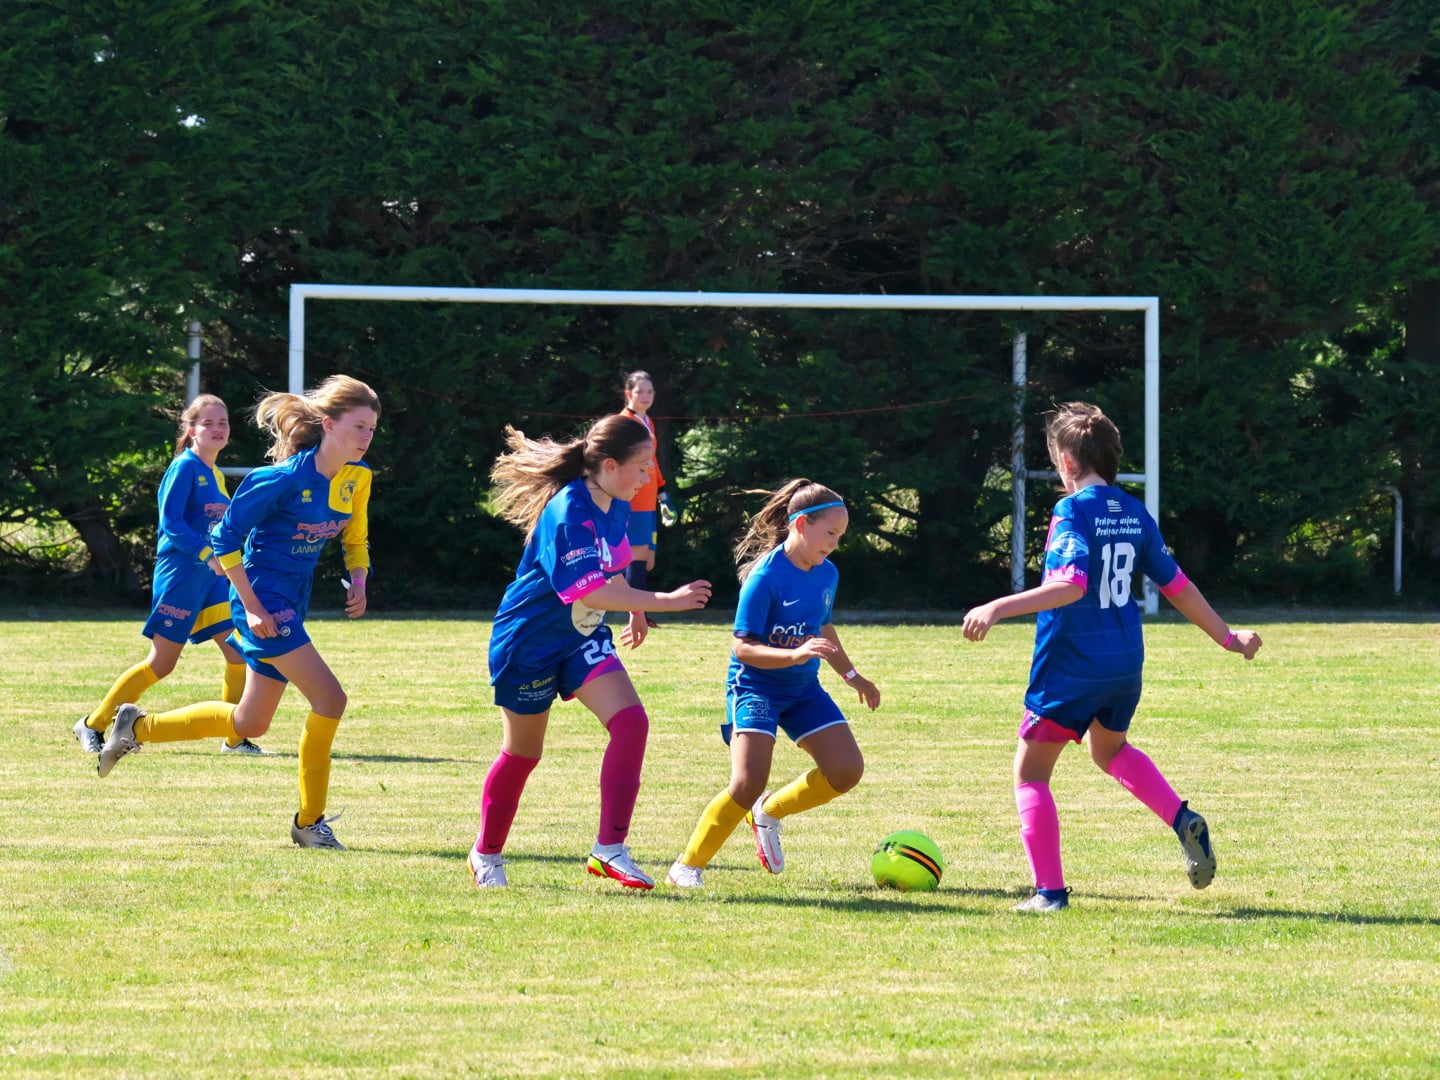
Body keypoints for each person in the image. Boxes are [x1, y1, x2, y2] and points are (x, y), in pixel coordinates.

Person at [961, 401, 1262, 912]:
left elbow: (1070, 585)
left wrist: (996, 606)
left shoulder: (1071, 511)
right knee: (1109, 750)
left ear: (1067, 462)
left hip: (1071, 664)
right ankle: (1181, 818)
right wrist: (1228, 638)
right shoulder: (1133, 511)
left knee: (1031, 774)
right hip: (1123, 661)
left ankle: (1049, 894)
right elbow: (1178, 586)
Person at [96, 375, 380, 852]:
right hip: (262, 598)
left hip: (292, 598)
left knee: (250, 723)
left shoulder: (358, 477)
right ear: (328, 425)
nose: (367, 437)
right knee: (331, 700)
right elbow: (225, 541)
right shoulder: (279, 480)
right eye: (359, 427)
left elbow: (356, 535)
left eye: (372, 428)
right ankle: (308, 823)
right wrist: (250, 607)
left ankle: (134, 727)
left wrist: (359, 577)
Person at [473, 415, 712, 889]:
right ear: (608, 464)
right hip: (530, 642)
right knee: (523, 754)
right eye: (641, 467)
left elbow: (615, 566)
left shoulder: (615, 500)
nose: (647, 478)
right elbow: (591, 591)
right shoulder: (569, 511)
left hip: (580, 637)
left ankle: (609, 850)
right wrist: (663, 601)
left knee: (631, 722)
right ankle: (486, 854)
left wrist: (636, 611)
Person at [666, 479, 880, 889]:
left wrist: (854, 677)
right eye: (830, 533)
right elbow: (743, 648)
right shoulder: (764, 578)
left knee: (846, 771)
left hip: (802, 691)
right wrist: (795, 655)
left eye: (840, 536)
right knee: (747, 782)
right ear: (800, 525)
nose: (835, 544)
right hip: (755, 688)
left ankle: (769, 812)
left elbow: (823, 627)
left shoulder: (826, 573)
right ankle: (686, 867)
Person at [72, 394, 269, 756]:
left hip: (210, 581)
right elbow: (172, 524)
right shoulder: (184, 467)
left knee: (238, 655)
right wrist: (207, 554)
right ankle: (92, 724)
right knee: (161, 664)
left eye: (222, 422)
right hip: (179, 576)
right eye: (208, 423)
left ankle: (234, 738)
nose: (217, 429)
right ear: (191, 429)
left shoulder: (214, 475)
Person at [619, 370, 675, 626]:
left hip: (649, 501)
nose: (646, 396)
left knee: (646, 559)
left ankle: (635, 608)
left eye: (650, 391)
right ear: (628, 394)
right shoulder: (625, 422)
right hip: (633, 500)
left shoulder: (647, 421)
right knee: (637, 555)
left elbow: (651, 461)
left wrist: (662, 492)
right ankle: (636, 612)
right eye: (640, 391)